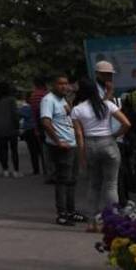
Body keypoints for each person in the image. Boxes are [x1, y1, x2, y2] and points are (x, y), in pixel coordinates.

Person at [72, 76, 132, 231]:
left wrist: (82, 156)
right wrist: (115, 135)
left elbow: (79, 135)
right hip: (108, 143)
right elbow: (126, 123)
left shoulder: (77, 110)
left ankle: (91, 223)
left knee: (93, 185)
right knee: (111, 185)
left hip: (90, 145)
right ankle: (114, 222)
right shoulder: (107, 105)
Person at [40, 74, 84, 227]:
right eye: (60, 84)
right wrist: (58, 141)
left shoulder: (63, 99)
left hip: (72, 144)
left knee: (72, 180)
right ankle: (62, 214)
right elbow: (46, 122)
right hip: (61, 146)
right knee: (63, 180)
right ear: (53, 85)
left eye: (66, 83)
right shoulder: (48, 100)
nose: (64, 86)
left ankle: (71, 211)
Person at [0, 81, 21, 177]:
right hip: (11, 127)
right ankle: (16, 170)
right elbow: (15, 114)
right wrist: (17, 126)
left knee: (2, 150)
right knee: (14, 150)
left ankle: (5, 169)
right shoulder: (11, 100)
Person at [28, 75, 52, 181]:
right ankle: (54, 172)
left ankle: (48, 173)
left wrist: (36, 129)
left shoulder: (33, 96)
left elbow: (34, 113)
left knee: (44, 151)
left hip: (40, 125)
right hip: (51, 123)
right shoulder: (49, 94)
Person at [19, 99, 42, 176]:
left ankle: (36, 169)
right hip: (38, 129)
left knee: (33, 151)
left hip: (29, 129)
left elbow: (19, 115)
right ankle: (46, 169)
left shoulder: (25, 108)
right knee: (41, 150)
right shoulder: (39, 107)